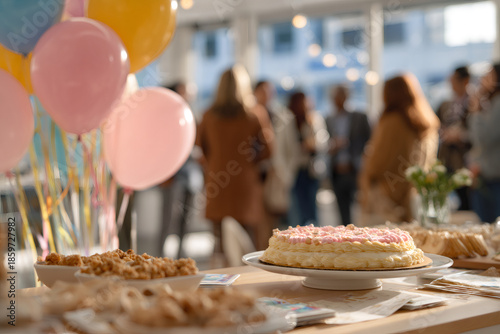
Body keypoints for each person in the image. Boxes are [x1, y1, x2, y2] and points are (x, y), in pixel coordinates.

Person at [195, 65, 273, 261]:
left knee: (220, 240)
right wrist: (251, 161)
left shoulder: (208, 116)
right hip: (245, 183)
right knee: (247, 240)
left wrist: (213, 163)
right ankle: (250, 282)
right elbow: (269, 149)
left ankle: (219, 281)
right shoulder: (254, 115)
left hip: (217, 180)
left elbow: (200, 147)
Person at [359, 74, 440, 224]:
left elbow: (376, 163)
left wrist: (367, 166)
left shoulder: (392, 122)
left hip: (389, 197)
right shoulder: (427, 123)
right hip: (416, 195)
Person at [157, 81, 203, 257]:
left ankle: (180, 254)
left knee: (186, 217)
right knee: (167, 218)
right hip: (171, 175)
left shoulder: (191, 113)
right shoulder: (166, 117)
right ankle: (160, 255)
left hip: (190, 174)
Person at [325, 85, 371, 226]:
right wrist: (332, 146)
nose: (337, 100)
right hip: (337, 171)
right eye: (335, 97)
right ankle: (345, 242)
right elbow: (323, 143)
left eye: (340, 96)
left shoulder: (360, 117)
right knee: (342, 213)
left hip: (355, 170)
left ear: (346, 97)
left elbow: (370, 141)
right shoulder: (328, 119)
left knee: (360, 210)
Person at [254, 81, 300, 219]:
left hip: (278, 174)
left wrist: (287, 174)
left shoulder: (284, 117)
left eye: (269, 91)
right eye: (262, 91)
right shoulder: (249, 116)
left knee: (277, 219)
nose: (266, 95)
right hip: (257, 176)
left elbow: (292, 149)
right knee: (258, 218)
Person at [287, 91, 328, 226]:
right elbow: (284, 149)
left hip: (310, 170)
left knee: (312, 209)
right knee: (296, 210)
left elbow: (323, 142)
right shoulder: (288, 122)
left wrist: (311, 142)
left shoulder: (314, 119)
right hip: (295, 170)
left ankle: (314, 237)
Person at [468, 63, 500, 223]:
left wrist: (476, 111)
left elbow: (483, 138)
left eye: (489, 76)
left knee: (492, 232)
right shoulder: (493, 103)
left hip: (494, 178)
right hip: (487, 176)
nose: (483, 80)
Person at [437, 66, 472, 210]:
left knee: (467, 201)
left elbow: (479, 132)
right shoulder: (446, 104)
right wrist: (444, 133)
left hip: (467, 160)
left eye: (454, 80)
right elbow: (435, 124)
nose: (451, 84)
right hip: (447, 158)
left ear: (465, 81)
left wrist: (461, 136)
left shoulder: (475, 102)